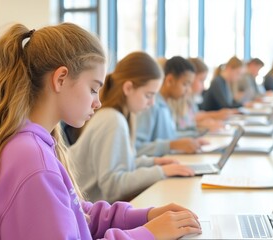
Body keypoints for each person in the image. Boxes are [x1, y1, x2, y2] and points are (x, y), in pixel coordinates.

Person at [0, 23, 201, 240]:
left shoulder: (33, 143)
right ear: (61, 79)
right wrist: (147, 235)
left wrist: (145, 216)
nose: (97, 103)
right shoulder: (32, 159)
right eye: (93, 89)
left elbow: (75, 213)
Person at [69, 52, 195, 203]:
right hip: (87, 218)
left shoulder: (120, 116)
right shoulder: (112, 120)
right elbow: (112, 186)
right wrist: (161, 172)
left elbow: (123, 164)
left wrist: (153, 162)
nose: (152, 103)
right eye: (148, 95)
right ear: (128, 88)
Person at [135, 56, 208, 157]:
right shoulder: (151, 105)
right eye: (185, 84)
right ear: (169, 80)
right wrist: (172, 145)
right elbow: (136, 148)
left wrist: (195, 135)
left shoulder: (165, 104)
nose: (188, 90)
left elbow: (170, 136)